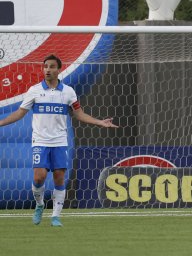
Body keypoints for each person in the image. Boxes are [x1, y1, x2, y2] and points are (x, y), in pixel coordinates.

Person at [0, 55, 118, 226]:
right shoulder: (34, 90)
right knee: (39, 177)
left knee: (59, 178)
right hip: (40, 141)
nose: (47, 69)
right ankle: (40, 205)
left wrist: (100, 122)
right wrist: (1, 122)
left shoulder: (68, 92)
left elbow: (79, 113)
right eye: (45, 66)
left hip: (60, 142)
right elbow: (20, 113)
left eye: (52, 66)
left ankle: (55, 216)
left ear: (58, 69)